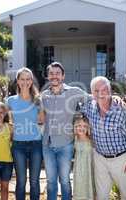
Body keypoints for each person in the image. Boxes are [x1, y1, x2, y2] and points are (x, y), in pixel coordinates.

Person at [81, 76, 126, 200]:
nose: (100, 93)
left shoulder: (121, 109)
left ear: (110, 91)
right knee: (101, 195)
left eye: (104, 90)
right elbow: (78, 111)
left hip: (121, 159)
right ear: (92, 93)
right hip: (100, 158)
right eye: (96, 91)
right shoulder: (89, 107)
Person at [41, 62, 88, 200]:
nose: (54, 76)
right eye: (51, 73)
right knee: (50, 182)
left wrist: (114, 97)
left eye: (57, 73)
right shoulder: (44, 95)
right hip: (47, 145)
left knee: (65, 181)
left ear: (63, 76)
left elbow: (92, 99)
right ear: (48, 76)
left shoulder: (74, 92)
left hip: (65, 145)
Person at [5, 67, 44, 200]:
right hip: (18, 145)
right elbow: (4, 121)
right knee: (21, 182)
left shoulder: (38, 100)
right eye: (22, 79)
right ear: (18, 81)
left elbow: (42, 121)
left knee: (34, 181)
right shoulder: (10, 101)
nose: (25, 82)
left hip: (36, 144)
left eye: (28, 79)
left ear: (31, 81)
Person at [72, 113, 94, 200]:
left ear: (88, 128)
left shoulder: (91, 141)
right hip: (78, 170)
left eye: (85, 126)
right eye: (79, 125)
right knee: (79, 188)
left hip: (89, 169)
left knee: (89, 188)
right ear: (75, 127)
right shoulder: (75, 139)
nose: (82, 128)